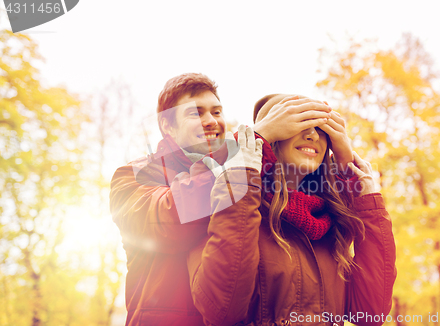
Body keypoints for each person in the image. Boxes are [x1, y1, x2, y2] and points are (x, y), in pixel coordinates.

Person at [109, 75, 334, 325]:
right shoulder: (134, 175)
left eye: (217, 112)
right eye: (196, 113)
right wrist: (256, 139)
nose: (211, 121)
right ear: (167, 125)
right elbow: (167, 221)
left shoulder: (248, 173)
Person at [187, 94, 397, 326]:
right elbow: (222, 311)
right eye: (299, 123)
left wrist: (363, 194)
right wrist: (241, 174)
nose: (312, 135)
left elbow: (370, 314)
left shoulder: (332, 222)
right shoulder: (229, 203)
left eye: (321, 128)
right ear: (272, 135)